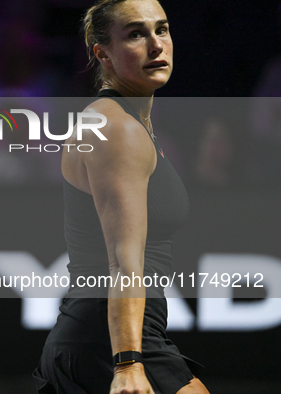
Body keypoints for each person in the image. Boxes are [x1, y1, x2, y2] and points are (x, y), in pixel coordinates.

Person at [32, 1, 210, 393]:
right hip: (108, 343)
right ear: (103, 53)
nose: (156, 45)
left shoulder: (131, 125)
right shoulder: (116, 129)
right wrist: (127, 362)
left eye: (162, 29)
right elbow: (122, 261)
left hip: (107, 338)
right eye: (135, 34)